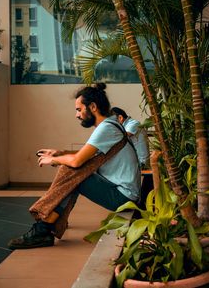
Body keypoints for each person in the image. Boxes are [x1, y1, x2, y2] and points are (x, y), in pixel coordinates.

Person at [8, 83, 141, 250]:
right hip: (122, 191)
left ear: (92, 107)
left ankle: (43, 230)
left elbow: (78, 161)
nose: (77, 115)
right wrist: (60, 153)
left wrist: (55, 160)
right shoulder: (110, 125)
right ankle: (48, 227)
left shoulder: (106, 128)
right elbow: (88, 155)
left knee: (72, 172)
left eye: (79, 109)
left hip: (123, 197)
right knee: (73, 174)